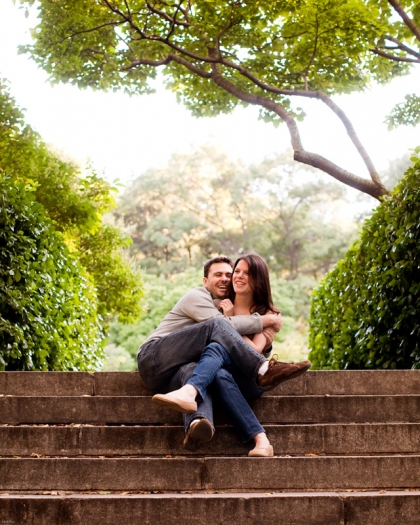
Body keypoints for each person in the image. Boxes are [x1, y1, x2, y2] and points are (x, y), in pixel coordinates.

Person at [137, 256, 311, 452]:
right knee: (217, 329)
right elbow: (221, 326)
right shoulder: (197, 297)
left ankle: (198, 421)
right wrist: (265, 320)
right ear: (205, 281)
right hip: (153, 358)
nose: (226, 278)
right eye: (218, 274)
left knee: (203, 365)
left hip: (178, 373)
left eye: (229, 274)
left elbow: (245, 341)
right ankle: (263, 369)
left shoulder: (227, 304)